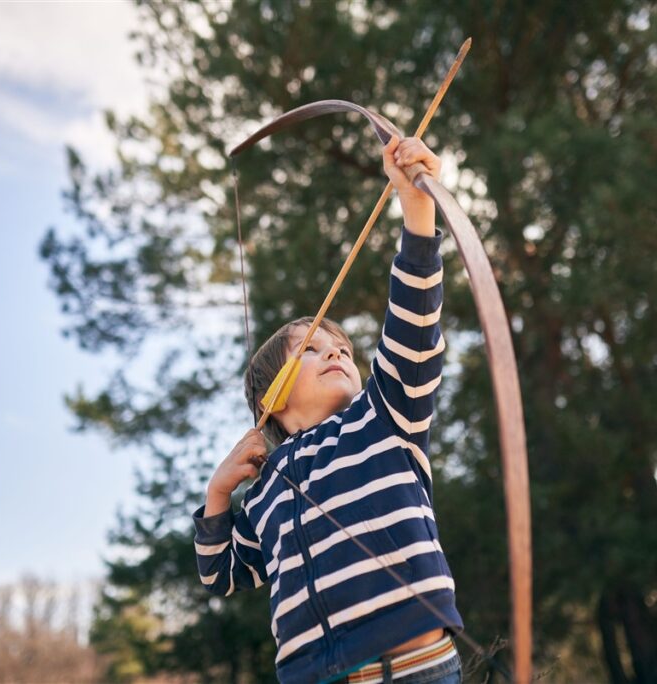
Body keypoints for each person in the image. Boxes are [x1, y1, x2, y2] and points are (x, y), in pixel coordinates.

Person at [193, 134, 463, 684]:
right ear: (272, 399)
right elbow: (221, 574)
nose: (337, 350)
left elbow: (413, 321)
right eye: (312, 347)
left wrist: (415, 205)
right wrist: (219, 494)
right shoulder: (264, 491)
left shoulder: (384, 419)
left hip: (413, 667)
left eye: (342, 348)